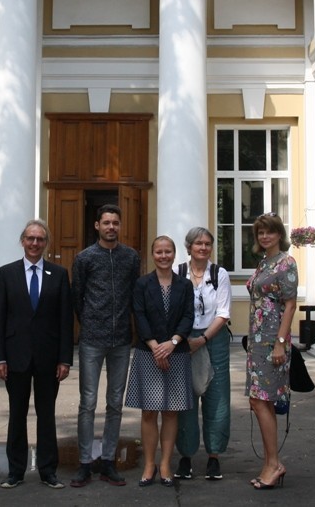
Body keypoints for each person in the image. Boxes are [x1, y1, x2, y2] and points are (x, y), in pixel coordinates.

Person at [0, 220, 73, 490]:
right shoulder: (7, 274)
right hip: (15, 357)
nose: (35, 243)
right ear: (22, 241)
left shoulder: (58, 274)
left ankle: (48, 471)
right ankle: (15, 471)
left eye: (40, 239)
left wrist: (65, 359)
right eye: (30, 238)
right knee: (17, 414)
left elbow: (65, 320)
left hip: (49, 358)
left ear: (46, 243)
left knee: (46, 415)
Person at [70, 203, 141, 488]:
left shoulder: (131, 257)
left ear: (119, 226)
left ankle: (109, 460)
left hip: (121, 340)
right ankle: (85, 462)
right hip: (92, 340)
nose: (111, 227)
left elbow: (134, 295)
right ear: (97, 225)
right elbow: (77, 296)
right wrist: (90, 321)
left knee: (115, 403)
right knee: (88, 403)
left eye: (115, 223)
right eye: (106, 222)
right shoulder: (84, 258)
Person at [125, 235, 195, 487]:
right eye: (159, 252)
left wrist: (172, 343)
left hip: (176, 352)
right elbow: (139, 315)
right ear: (152, 254)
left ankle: (165, 464)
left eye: (168, 251)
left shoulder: (185, 285)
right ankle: (149, 464)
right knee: (149, 411)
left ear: (174, 254)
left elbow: (188, 316)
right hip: (148, 352)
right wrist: (156, 346)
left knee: (170, 411)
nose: (163, 256)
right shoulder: (142, 284)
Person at [173, 226, 232, 481]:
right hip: (184, 339)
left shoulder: (220, 274)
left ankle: (214, 456)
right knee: (184, 399)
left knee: (216, 397)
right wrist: (182, 339)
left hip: (214, 338)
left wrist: (203, 339)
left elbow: (223, 313)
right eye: (198, 243)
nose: (203, 248)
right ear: (189, 247)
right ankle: (186, 456)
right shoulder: (178, 272)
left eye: (207, 243)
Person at [245, 213, 298, 490]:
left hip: (272, 342)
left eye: (270, 232)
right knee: (260, 402)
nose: (265, 236)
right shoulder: (264, 262)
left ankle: (274, 464)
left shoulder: (286, 262)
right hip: (257, 341)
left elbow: (290, 305)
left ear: (279, 234)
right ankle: (270, 463)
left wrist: (279, 342)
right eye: (260, 233)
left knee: (261, 401)